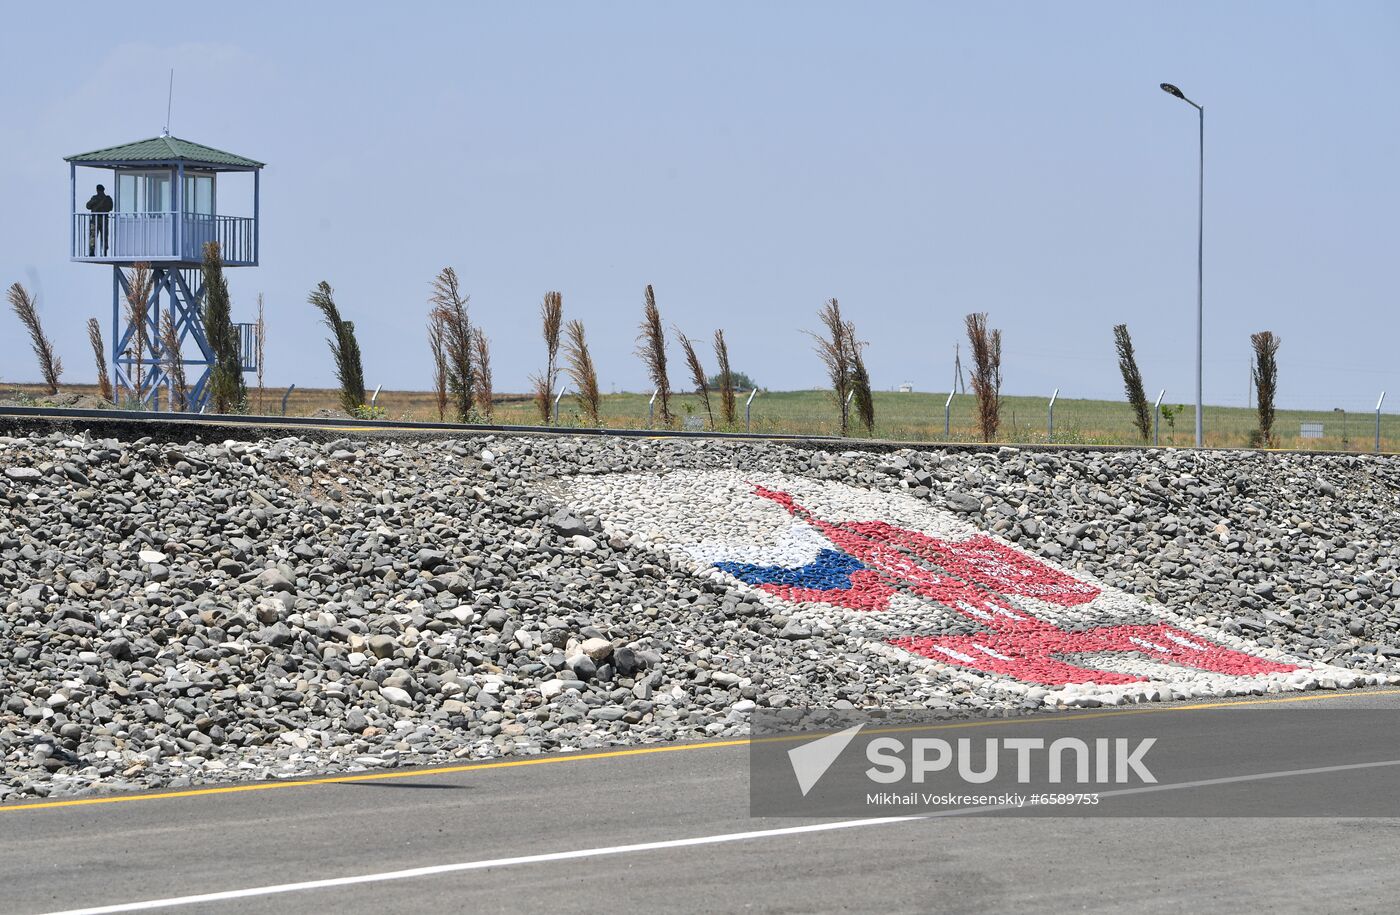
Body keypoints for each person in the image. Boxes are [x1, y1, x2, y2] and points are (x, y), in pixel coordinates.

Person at [86, 184, 113, 256]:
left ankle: (92, 251)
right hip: (104, 220)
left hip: (95, 220)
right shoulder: (108, 199)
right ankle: (104, 251)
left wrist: (95, 202)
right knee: (104, 236)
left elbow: (88, 206)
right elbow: (110, 208)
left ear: (97, 190)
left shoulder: (95, 198)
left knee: (93, 236)